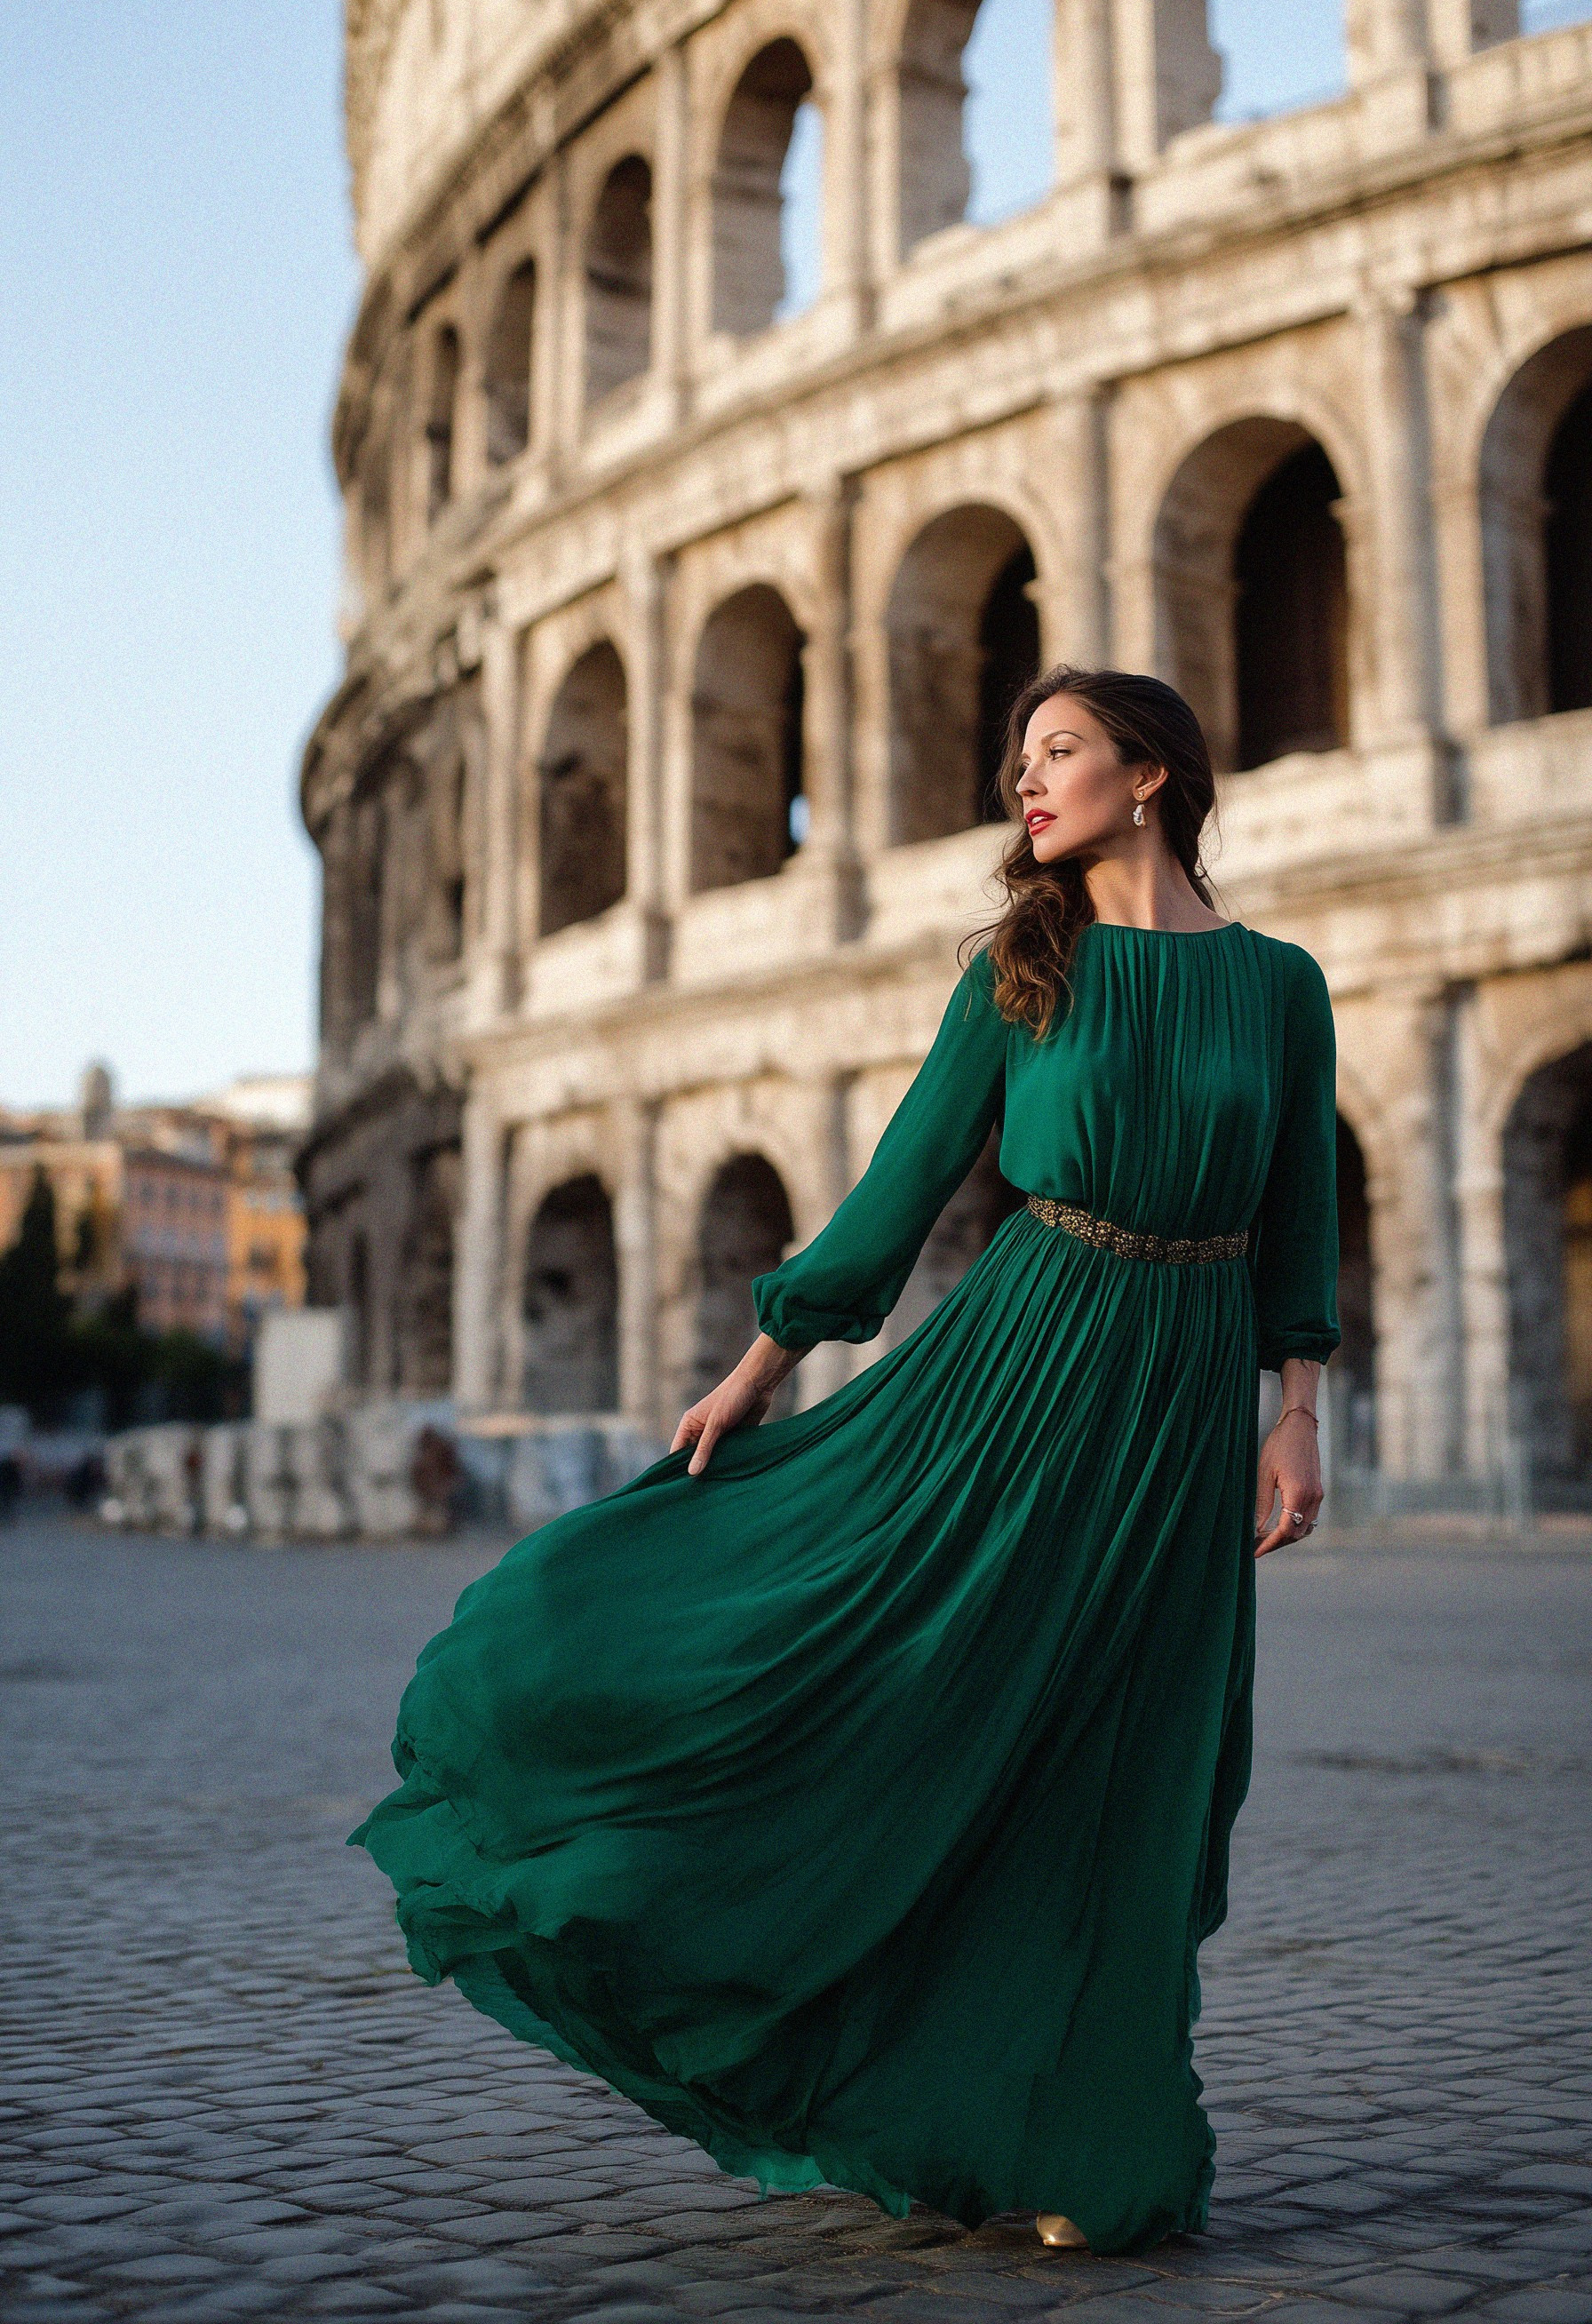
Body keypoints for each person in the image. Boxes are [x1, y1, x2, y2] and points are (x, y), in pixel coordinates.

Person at [350, 664, 1339, 2258]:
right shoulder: (1024, 970)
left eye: (1061, 753)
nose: (1028, 783)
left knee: (1135, 1756)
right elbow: (901, 1189)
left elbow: (1299, 1210)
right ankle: (819, 2001)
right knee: (933, 1695)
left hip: (1181, 1396)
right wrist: (763, 1362)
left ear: (1150, 773)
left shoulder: (1282, 986)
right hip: (1027, 1363)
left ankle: (1096, 2129)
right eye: (1020, 760)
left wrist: (1295, 1408)